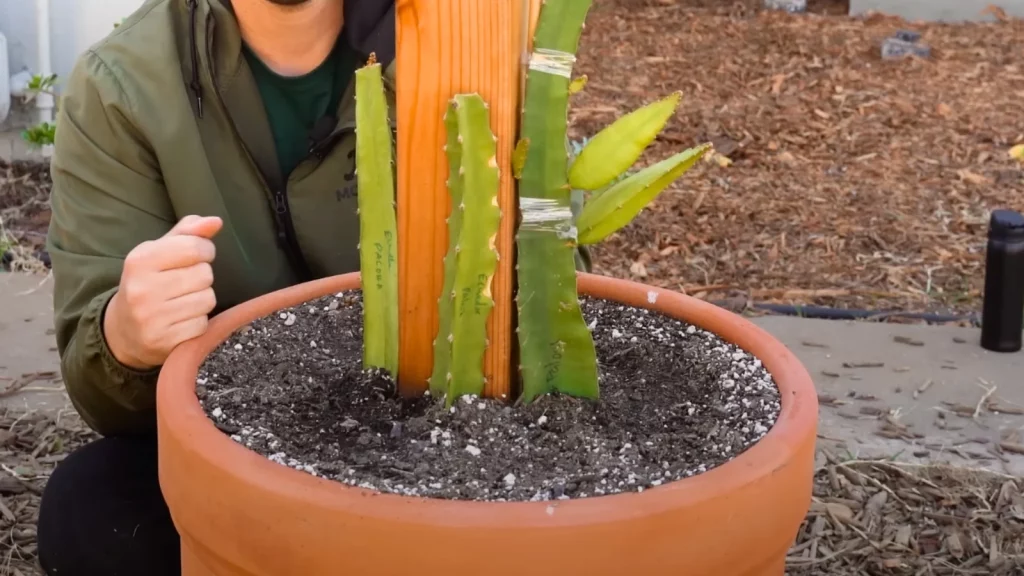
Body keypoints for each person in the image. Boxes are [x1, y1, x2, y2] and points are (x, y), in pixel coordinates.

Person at [35, 0, 395, 574]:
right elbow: (100, 385)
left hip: (426, 418)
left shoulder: (455, 49)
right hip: (234, 438)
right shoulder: (123, 85)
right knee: (92, 510)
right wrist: (126, 336)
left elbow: (539, 289)